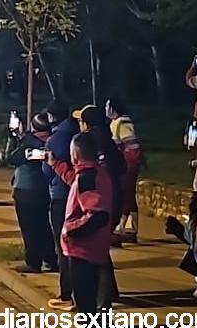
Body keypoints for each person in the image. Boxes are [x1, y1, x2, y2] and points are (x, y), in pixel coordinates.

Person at [47, 132, 113, 315]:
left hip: (83, 250)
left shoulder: (87, 178)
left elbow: (97, 215)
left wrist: (70, 231)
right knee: (90, 303)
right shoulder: (95, 174)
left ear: (75, 154)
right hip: (92, 247)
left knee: (85, 304)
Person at [73, 104, 124, 309]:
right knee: (101, 249)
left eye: (81, 121)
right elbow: (121, 168)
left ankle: (102, 303)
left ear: (86, 124)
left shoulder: (89, 143)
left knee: (96, 253)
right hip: (114, 200)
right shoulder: (108, 141)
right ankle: (108, 293)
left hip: (101, 203)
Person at [6, 112, 57, 273]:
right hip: (44, 190)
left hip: (26, 190)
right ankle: (50, 259)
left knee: (30, 229)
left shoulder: (30, 145)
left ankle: (33, 262)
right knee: (43, 226)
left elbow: (11, 158)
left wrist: (13, 136)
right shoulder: (51, 142)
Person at [44, 100, 78, 311]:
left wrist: (50, 165)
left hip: (61, 195)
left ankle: (67, 294)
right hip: (80, 199)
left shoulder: (56, 139)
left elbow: (47, 171)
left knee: (64, 247)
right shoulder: (77, 134)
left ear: (52, 116)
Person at [106, 97, 143, 243]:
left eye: (107, 106)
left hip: (128, 165)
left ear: (113, 108)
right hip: (124, 164)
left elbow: (132, 146)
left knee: (126, 194)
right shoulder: (116, 123)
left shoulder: (122, 124)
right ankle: (129, 229)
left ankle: (123, 228)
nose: (105, 109)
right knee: (128, 195)